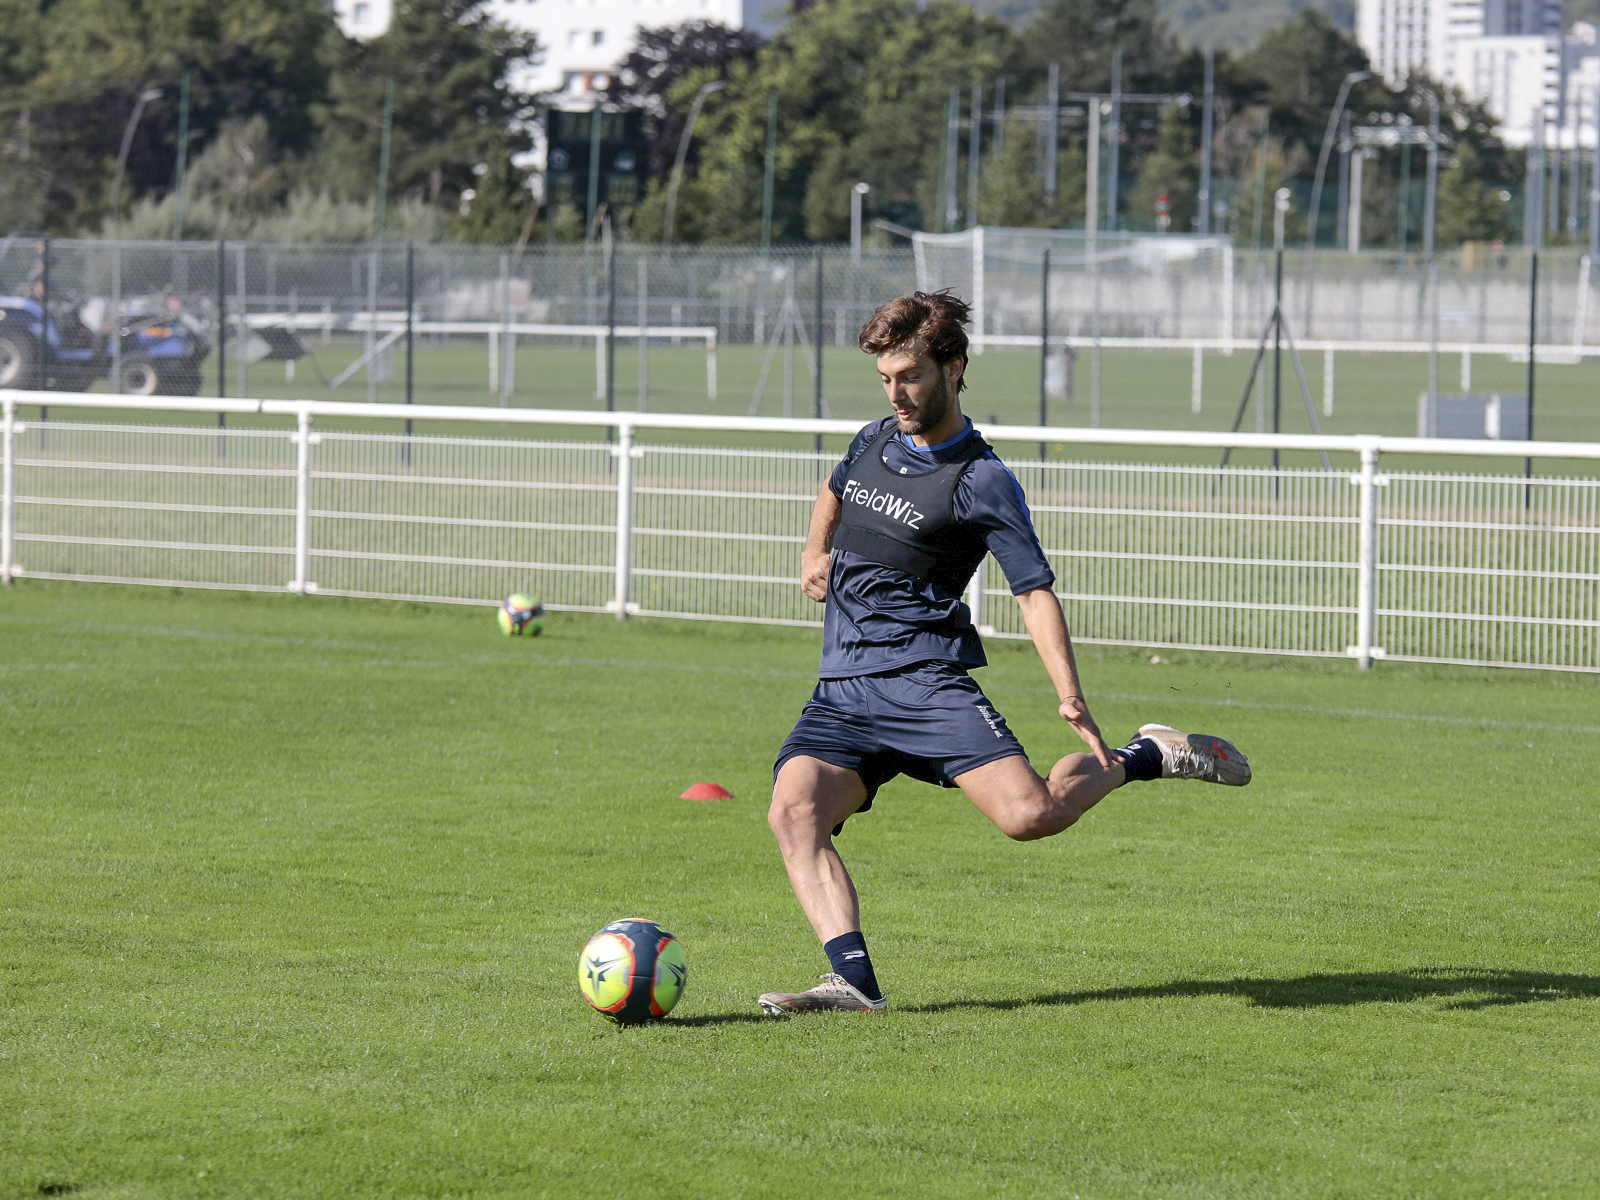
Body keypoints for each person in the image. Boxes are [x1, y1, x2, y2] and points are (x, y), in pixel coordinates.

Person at [757, 291, 1251, 1016]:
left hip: (925, 684)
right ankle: (853, 982)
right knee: (792, 813)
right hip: (844, 692)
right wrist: (811, 551)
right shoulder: (871, 440)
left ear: (954, 368)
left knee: (1032, 817)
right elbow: (834, 494)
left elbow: (1035, 593)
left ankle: (1145, 755)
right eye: (886, 379)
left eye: (911, 376)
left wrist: (1070, 695)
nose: (896, 393)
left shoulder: (983, 480)